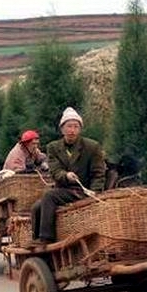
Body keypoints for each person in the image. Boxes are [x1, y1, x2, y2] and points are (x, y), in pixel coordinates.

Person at [30, 107, 106, 249]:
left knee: (49, 196)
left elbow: (98, 173)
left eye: (76, 126)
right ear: (62, 129)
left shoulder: (92, 146)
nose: (72, 130)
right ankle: (35, 239)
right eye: (69, 126)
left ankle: (46, 238)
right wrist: (65, 175)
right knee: (36, 207)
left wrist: (95, 192)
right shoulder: (53, 147)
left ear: (80, 129)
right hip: (64, 189)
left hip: (84, 190)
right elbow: (55, 170)